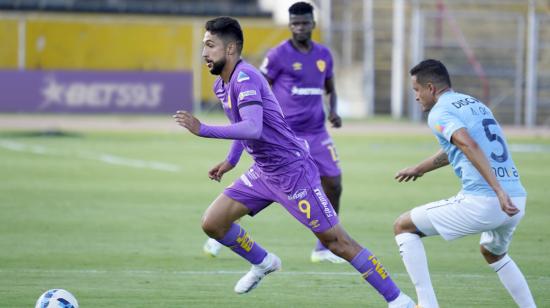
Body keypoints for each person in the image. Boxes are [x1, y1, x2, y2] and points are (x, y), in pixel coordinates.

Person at [175, 16, 415, 307]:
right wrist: (230, 160)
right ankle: (264, 262)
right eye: (203, 45)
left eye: (210, 45)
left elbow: (253, 127)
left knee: (337, 243)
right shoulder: (222, 86)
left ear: (230, 49)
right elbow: (242, 129)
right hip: (263, 173)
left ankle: (398, 299)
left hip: (293, 173)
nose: (204, 53)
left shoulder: (245, 77)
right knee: (213, 223)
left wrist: (203, 130)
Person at [203, 2, 345, 264]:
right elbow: (257, 90)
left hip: (316, 132)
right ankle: (221, 229)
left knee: (334, 183)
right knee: (268, 186)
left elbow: (330, 87)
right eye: (294, 23)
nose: (299, 27)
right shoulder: (278, 55)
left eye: (304, 23)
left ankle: (323, 247)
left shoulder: (324, 55)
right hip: (285, 135)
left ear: (313, 24)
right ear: (289, 25)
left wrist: (333, 111)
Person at [393, 59, 536, 308]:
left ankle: (426, 305)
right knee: (493, 252)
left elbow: (468, 145)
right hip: (517, 199)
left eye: (416, 90)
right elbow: (456, 147)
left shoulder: (439, 112)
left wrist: (498, 191)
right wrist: (420, 168)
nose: (416, 97)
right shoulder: (473, 103)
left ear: (431, 88)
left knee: (403, 226)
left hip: (487, 201)